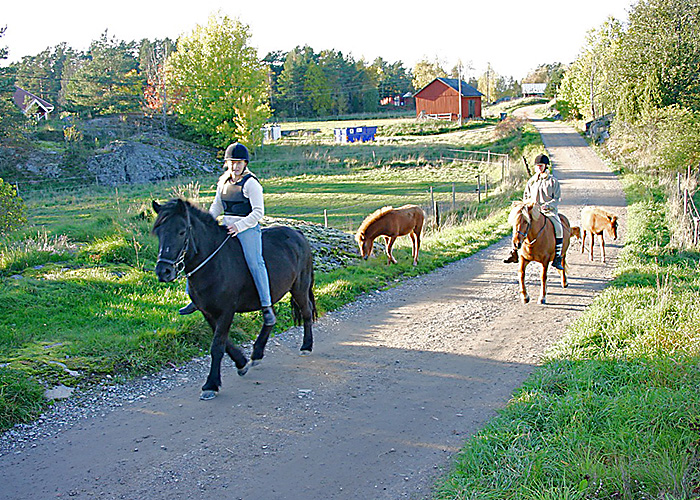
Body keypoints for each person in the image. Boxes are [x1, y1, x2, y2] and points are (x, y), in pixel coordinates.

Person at [179, 142, 276, 326]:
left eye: (239, 162)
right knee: (199, 253)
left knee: (255, 263)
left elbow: (258, 212)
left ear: (245, 163)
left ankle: (266, 305)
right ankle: (194, 299)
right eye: (232, 162)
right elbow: (217, 205)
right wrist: (207, 222)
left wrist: (239, 226)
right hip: (226, 226)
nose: (235, 166)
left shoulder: (251, 184)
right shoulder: (223, 182)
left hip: (247, 228)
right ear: (227, 163)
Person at [503, 153, 565, 270]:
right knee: (518, 224)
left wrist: (547, 206)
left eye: (541, 165)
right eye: (537, 166)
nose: (539, 168)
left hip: (548, 211)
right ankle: (514, 251)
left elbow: (556, 198)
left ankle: (557, 257)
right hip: (532, 210)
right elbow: (526, 195)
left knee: (558, 227)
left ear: (546, 166)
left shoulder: (553, 181)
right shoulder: (532, 181)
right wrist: (528, 205)